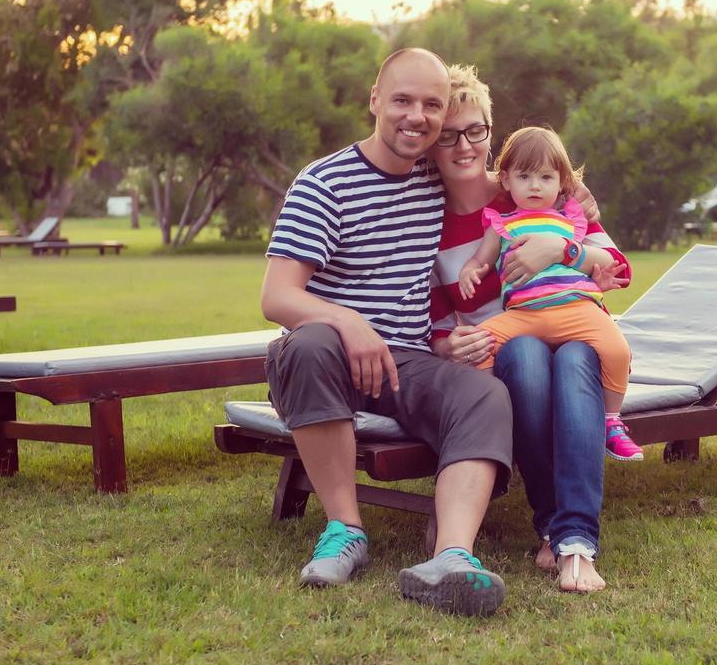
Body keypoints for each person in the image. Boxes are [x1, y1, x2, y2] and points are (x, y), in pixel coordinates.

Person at [260, 47, 512, 617]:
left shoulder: (434, 174)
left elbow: (514, 183)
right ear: (375, 100)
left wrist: (577, 202)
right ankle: (345, 530)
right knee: (312, 341)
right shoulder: (324, 183)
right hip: (322, 359)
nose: (415, 116)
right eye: (402, 100)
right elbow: (276, 298)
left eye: (431, 106)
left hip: (405, 361)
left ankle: (450, 556)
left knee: (484, 393)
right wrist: (351, 321)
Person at [428, 65, 631, 593]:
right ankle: (553, 526)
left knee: (572, 359)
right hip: (500, 354)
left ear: (491, 136)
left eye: (475, 131)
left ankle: (575, 542)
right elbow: (430, 321)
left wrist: (561, 249)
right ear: (430, 141)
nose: (464, 145)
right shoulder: (425, 221)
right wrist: (449, 344)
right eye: (447, 135)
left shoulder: (542, 186)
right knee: (526, 356)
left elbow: (617, 269)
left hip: (575, 331)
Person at [456, 126, 640, 462]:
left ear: (561, 183)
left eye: (545, 176)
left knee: (617, 349)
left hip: (575, 309)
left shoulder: (571, 219)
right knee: (478, 344)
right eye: (525, 176)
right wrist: (470, 270)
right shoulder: (501, 224)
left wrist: (600, 276)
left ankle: (612, 421)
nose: (535, 186)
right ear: (507, 180)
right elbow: (480, 259)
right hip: (523, 315)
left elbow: (602, 263)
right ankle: (492, 418)